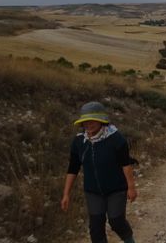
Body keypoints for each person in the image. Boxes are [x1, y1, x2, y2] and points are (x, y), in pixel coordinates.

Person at [61, 101, 138, 243]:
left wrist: (131, 187)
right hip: (93, 191)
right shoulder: (79, 142)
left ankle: (130, 241)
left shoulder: (116, 138)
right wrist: (66, 194)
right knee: (95, 227)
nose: (89, 124)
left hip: (116, 189)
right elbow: (73, 168)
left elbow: (125, 164)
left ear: (101, 121)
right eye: (86, 121)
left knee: (116, 221)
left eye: (93, 121)